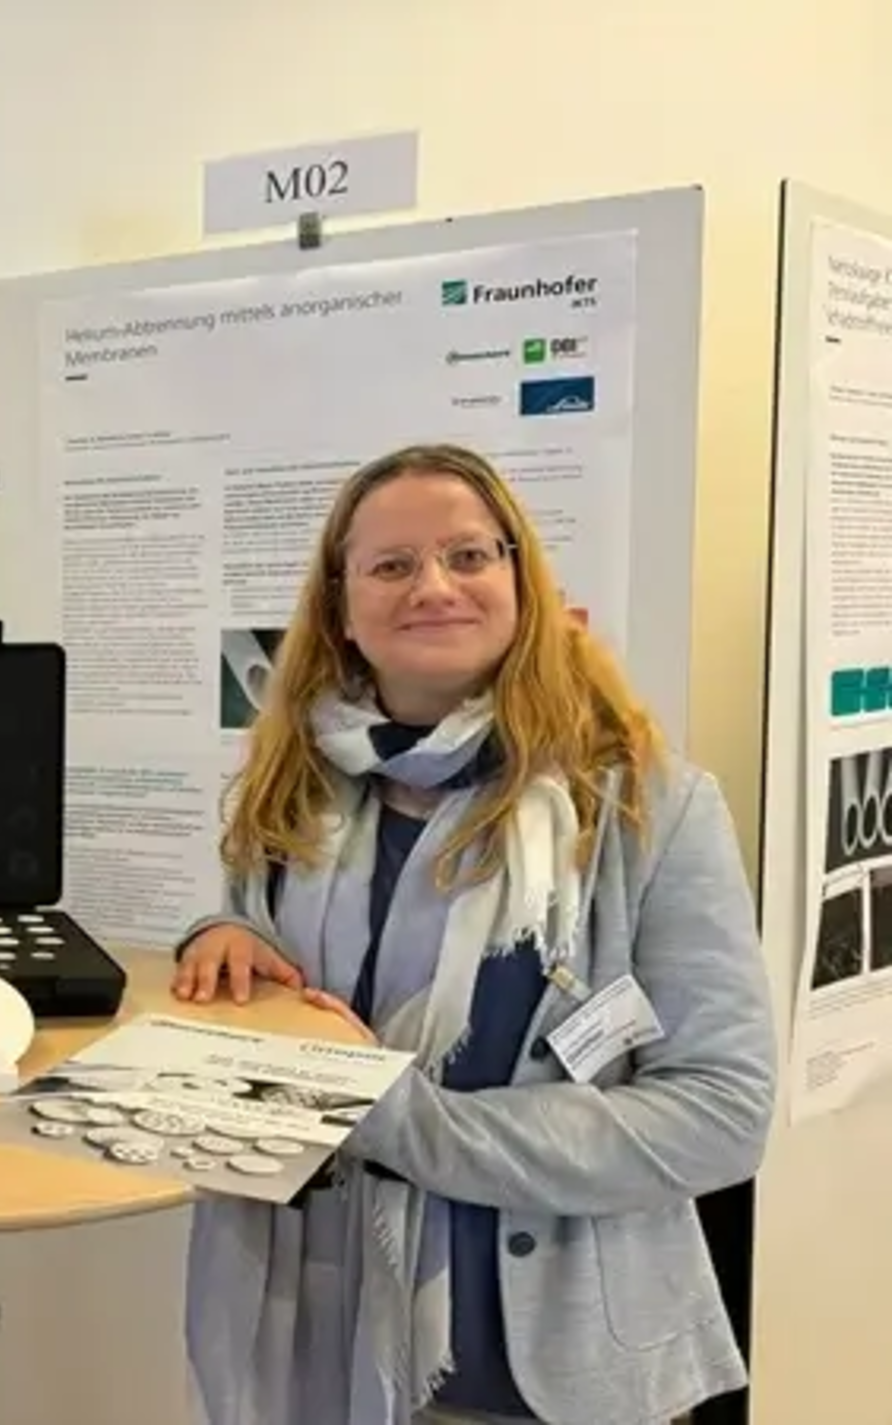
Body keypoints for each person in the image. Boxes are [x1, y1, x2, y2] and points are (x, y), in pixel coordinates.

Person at [170, 444, 775, 1425]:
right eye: (391, 565)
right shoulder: (288, 795)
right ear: (341, 607)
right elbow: (275, 968)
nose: (433, 587)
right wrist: (218, 935)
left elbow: (720, 1112)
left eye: (467, 556)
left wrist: (408, 1126)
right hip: (311, 1350)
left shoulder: (646, 807)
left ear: (519, 580)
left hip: (549, 1377)